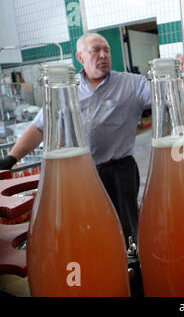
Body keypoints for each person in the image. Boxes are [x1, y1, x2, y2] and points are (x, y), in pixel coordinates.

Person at [0, 33, 152, 248]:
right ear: (80, 57)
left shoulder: (132, 84)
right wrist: (10, 158)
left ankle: (131, 271)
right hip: (78, 172)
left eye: (106, 50)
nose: (103, 55)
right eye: (95, 50)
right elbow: (39, 127)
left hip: (118, 171)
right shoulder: (65, 88)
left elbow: (167, 96)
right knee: (85, 226)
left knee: (124, 229)